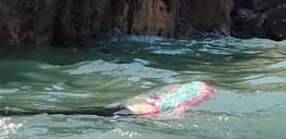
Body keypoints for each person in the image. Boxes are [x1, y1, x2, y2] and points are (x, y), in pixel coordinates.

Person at [0, 81, 215, 118]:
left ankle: (13, 112)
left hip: (132, 110)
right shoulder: (195, 95)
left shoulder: (190, 90)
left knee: (75, 113)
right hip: (135, 113)